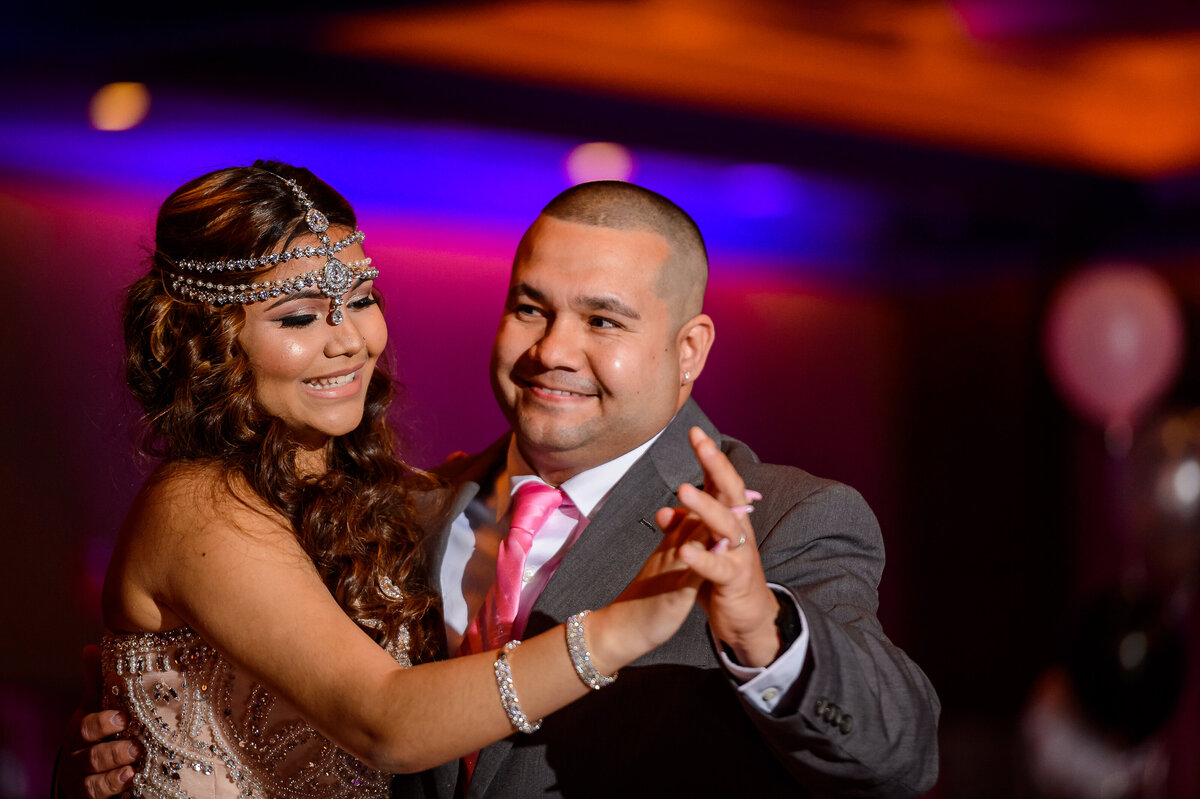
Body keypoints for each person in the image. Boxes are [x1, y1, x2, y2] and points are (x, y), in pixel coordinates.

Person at [68, 179, 940, 797]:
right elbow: (352, 716)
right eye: (531, 307)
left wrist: (763, 629)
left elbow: (897, 755)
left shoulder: (781, 518)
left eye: (602, 320)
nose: (553, 349)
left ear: (690, 350)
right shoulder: (400, 509)